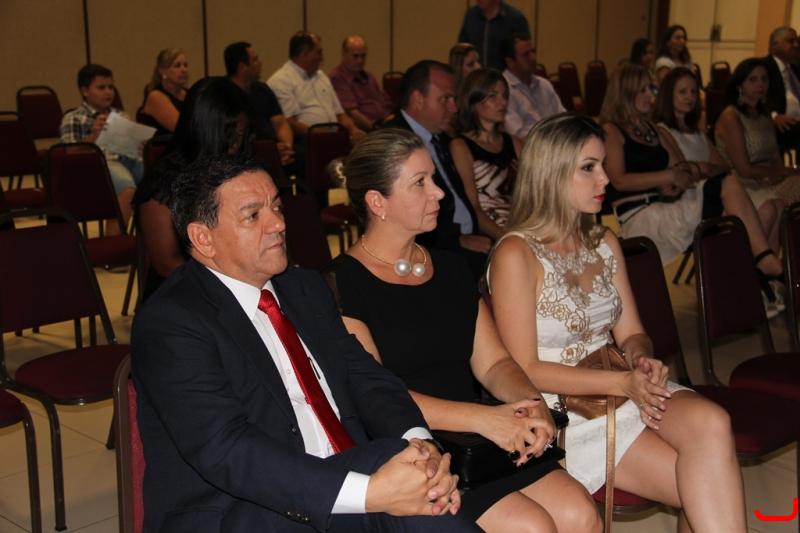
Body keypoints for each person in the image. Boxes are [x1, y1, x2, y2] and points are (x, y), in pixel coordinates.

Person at [132, 153, 480, 533]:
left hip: (345, 481)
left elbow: (365, 377)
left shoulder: (304, 288)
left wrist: (422, 446)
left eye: (277, 207)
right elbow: (227, 450)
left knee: (412, 473)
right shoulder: (172, 322)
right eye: (253, 216)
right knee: (397, 474)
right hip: (242, 510)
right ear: (203, 238)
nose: (279, 224)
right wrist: (371, 492)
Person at [330, 128, 601, 533]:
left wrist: (529, 403)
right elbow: (380, 398)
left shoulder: (452, 267)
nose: (439, 193)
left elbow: (494, 364)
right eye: (420, 183)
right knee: (532, 527)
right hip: (414, 447)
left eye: (434, 179)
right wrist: (486, 419)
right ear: (377, 202)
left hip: (478, 441)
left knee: (580, 513)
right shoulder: (341, 285)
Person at [489, 112, 748, 533]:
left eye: (603, 165)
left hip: (622, 382)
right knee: (707, 485)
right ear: (551, 174)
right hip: (565, 410)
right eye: (589, 167)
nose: (605, 178)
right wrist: (623, 383)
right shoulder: (516, 253)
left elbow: (633, 333)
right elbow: (524, 370)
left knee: (713, 425)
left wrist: (641, 359)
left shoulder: (603, 241)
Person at [600, 63, 782, 289]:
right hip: (640, 215)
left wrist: (678, 181)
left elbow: (683, 168)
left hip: (668, 205)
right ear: (626, 93)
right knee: (728, 191)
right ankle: (759, 266)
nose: (650, 95)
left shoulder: (653, 130)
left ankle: (739, 287)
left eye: (651, 89)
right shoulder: (612, 130)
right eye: (643, 90)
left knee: (729, 216)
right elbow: (619, 180)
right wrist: (668, 177)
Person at [653, 67, 785, 286]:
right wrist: (704, 169)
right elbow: (684, 172)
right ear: (669, 96)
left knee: (777, 205)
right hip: (692, 200)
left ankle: (765, 280)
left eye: (693, 92)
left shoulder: (698, 133)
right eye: (682, 92)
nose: (690, 97)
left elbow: (723, 168)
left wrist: (704, 168)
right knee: (769, 209)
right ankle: (750, 280)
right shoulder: (663, 131)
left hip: (718, 192)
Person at [132, 76, 252, 301]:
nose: (236, 144)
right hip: (184, 293)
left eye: (240, 134)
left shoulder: (238, 168)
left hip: (236, 281)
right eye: (229, 135)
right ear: (204, 130)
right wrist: (233, 284)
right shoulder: (164, 180)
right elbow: (167, 263)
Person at [382, 60, 491, 280]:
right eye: (445, 99)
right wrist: (458, 239)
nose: (454, 108)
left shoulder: (441, 139)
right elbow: (399, 215)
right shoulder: (392, 142)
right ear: (418, 99)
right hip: (430, 248)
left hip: (462, 238)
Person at [60, 63, 144, 236]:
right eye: (101, 88)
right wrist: (94, 136)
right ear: (85, 91)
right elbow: (68, 155)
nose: (108, 92)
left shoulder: (120, 115)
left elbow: (133, 148)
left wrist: (139, 145)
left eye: (111, 87)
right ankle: (114, 243)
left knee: (164, 182)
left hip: (129, 160)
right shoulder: (73, 118)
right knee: (128, 191)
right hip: (101, 165)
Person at [715, 58, 800, 213]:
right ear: (739, 85)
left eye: (764, 79)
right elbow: (744, 170)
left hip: (770, 179)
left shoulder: (765, 114)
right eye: (752, 79)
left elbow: (775, 157)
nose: (760, 84)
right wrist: (786, 172)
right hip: (744, 186)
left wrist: (779, 176)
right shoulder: (731, 117)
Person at [451, 69, 521, 239]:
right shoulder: (460, 147)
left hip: (521, 227)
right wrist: (505, 237)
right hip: (490, 234)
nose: (502, 101)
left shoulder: (514, 142)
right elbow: (473, 208)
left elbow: (534, 194)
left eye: (505, 95)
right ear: (473, 101)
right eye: (493, 96)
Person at [267, 31, 366, 145]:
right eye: (319, 53)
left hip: (334, 137)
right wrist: (328, 136)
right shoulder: (282, 80)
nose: (322, 58)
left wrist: (353, 130)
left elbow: (340, 114)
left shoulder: (320, 76)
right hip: (307, 141)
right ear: (305, 54)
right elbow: (289, 123)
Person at [224, 41, 295, 166]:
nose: (260, 64)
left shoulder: (263, 90)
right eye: (255, 60)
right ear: (242, 67)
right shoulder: (223, 92)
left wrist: (286, 148)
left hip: (273, 148)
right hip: (247, 152)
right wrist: (269, 151)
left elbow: (280, 124)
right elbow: (230, 137)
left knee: (301, 157)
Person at [501, 34, 565, 138]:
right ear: (510, 62)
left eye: (533, 52)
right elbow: (516, 136)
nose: (533, 58)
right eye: (526, 55)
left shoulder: (544, 84)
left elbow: (563, 120)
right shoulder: (503, 90)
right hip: (529, 146)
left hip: (555, 142)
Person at [329, 35, 394, 132]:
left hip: (384, 126)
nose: (360, 61)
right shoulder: (337, 77)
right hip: (367, 131)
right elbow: (352, 113)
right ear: (343, 53)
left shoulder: (370, 76)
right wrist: (375, 129)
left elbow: (387, 105)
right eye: (355, 56)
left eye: (363, 56)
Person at [457, 0, 530, 71]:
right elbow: (462, 47)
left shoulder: (515, 19)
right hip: (476, 75)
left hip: (504, 75)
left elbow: (525, 53)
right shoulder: (471, 16)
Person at [763, 26, 800, 153]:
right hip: (777, 123)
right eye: (791, 41)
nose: (796, 45)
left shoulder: (795, 70)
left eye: (796, 42)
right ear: (775, 44)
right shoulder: (764, 67)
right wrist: (773, 116)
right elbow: (753, 97)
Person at [141, 48, 189, 136]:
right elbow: (182, 128)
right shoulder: (155, 97)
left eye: (185, 65)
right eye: (177, 66)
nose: (184, 70)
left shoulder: (191, 93)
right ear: (162, 71)